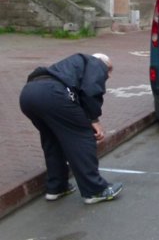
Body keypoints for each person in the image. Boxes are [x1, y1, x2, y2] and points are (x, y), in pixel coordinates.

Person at [19, 53, 123, 204]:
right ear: (105, 64)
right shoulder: (96, 62)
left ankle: (57, 187)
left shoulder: (70, 66)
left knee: (52, 139)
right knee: (83, 136)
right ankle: (95, 190)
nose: (108, 76)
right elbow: (91, 89)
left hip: (28, 94)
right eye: (109, 71)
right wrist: (93, 119)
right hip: (52, 94)